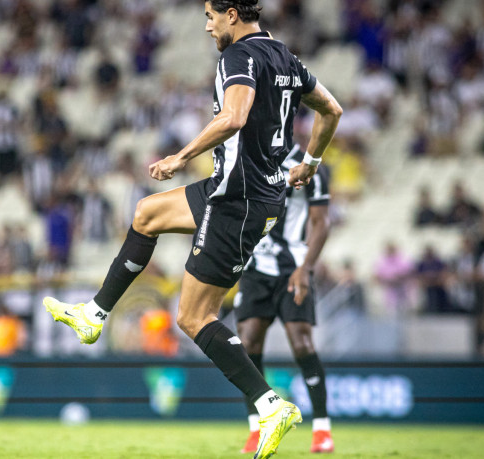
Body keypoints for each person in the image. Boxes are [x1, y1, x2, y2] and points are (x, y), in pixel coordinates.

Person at [42, 2, 342, 458]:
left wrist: (180, 157)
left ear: (234, 14)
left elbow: (235, 116)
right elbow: (332, 110)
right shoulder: (286, 57)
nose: (207, 26)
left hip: (237, 201)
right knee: (146, 214)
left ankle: (270, 406)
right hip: (240, 190)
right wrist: (311, 163)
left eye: (211, 16)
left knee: (193, 317)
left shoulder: (240, 57)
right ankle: (94, 316)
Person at [229, 144, 333, 454]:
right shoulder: (247, 160)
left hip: (293, 269)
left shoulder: (309, 166)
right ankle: (255, 427)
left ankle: (322, 430)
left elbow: (321, 222)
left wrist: (306, 268)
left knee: (302, 344)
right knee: (246, 346)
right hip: (255, 269)